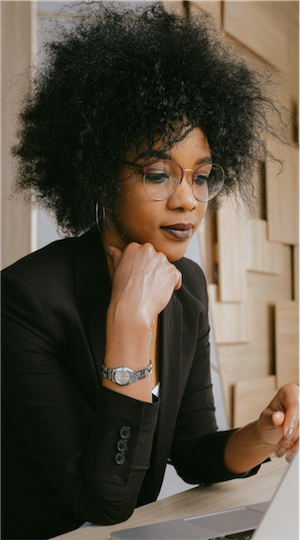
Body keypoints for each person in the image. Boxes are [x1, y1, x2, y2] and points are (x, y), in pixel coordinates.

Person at [0, 3, 299, 540]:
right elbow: (102, 502)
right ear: (97, 176)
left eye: (202, 176)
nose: (188, 200)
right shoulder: (25, 299)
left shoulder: (188, 291)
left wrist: (262, 435)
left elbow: (191, 453)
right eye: (159, 173)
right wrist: (132, 324)